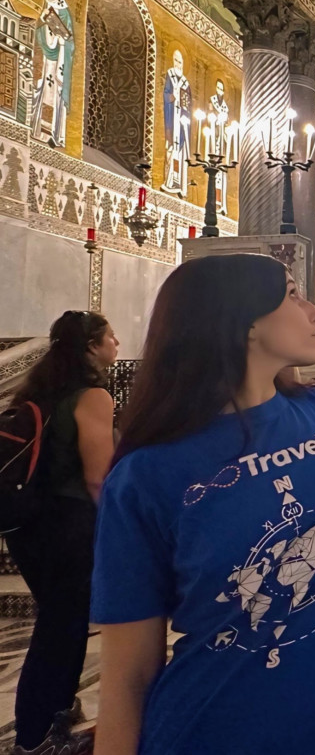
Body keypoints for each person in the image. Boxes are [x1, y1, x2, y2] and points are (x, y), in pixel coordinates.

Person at [91, 256, 315, 755]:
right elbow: (128, 674)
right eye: (293, 294)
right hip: (216, 733)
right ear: (247, 322)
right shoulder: (148, 474)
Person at [7, 311, 118, 755]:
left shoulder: (41, 391)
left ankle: (51, 716)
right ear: (91, 346)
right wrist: (118, 530)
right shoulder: (92, 396)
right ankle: (37, 736)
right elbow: (98, 477)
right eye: (110, 337)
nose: (117, 343)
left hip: (29, 527)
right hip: (69, 528)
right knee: (63, 631)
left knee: (56, 625)